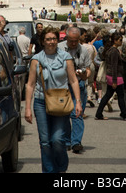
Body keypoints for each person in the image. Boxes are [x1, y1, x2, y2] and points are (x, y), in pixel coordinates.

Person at [25, 26, 82, 173]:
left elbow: (73, 80)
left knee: (57, 140)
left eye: (54, 39)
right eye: (48, 39)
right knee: (45, 142)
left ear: (58, 40)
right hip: (40, 102)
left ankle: (61, 168)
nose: (51, 42)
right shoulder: (36, 60)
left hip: (60, 102)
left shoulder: (65, 57)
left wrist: (78, 102)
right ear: (42, 42)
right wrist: (27, 108)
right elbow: (30, 85)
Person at [58, 26, 91, 153]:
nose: (73, 43)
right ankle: (67, 141)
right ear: (66, 38)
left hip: (79, 84)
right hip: (63, 86)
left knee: (77, 114)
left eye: (76, 41)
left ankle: (76, 142)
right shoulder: (59, 48)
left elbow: (88, 69)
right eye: (71, 40)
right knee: (64, 114)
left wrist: (85, 74)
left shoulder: (83, 50)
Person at [95, 32, 126, 120]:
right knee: (120, 96)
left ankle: (99, 113)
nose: (121, 42)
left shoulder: (112, 50)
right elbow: (114, 66)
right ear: (115, 41)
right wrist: (114, 81)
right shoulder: (113, 51)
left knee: (108, 95)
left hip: (113, 76)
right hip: (116, 76)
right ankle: (124, 114)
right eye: (120, 40)